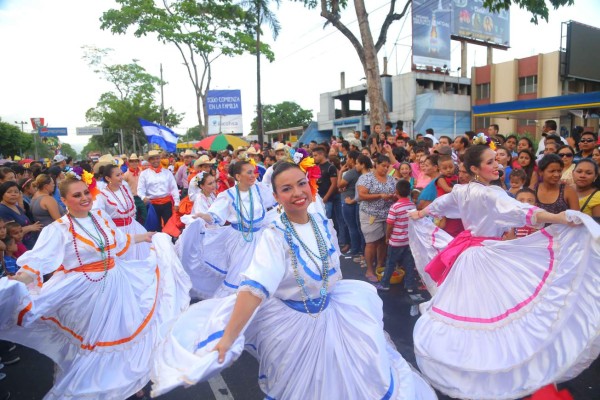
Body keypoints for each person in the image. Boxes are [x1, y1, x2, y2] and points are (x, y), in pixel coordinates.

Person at [150, 162, 438, 400]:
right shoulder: (275, 236)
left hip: (335, 315)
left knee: (353, 378)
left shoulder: (320, 221)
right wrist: (228, 338)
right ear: (275, 197)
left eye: (301, 183)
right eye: (286, 189)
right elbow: (254, 289)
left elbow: (331, 267)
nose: (298, 192)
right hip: (293, 327)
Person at [408, 141, 600, 399]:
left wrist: (420, 215)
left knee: (469, 311)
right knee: (497, 311)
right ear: (475, 168)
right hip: (487, 255)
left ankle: (470, 362)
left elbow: (438, 206)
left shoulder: (461, 191)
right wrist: (559, 218)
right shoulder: (491, 194)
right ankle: (495, 366)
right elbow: (522, 212)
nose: (497, 165)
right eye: (490, 162)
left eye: (496, 160)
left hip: (468, 257)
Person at [0, 173, 191, 400]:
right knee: (91, 343)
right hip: (84, 292)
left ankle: (125, 381)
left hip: (117, 282)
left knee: (124, 330)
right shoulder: (59, 229)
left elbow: (120, 241)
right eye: (77, 195)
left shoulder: (100, 217)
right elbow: (36, 263)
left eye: (86, 193)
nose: (84, 198)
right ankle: (87, 385)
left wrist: (147, 237)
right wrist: (16, 281)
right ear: (65, 200)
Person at [193, 161, 277, 298]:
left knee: (261, 273)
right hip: (240, 240)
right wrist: (203, 216)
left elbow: (275, 197)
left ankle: (258, 304)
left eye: (253, 172)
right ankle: (234, 306)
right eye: (249, 172)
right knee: (239, 274)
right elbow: (215, 214)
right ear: (238, 176)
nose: (253, 175)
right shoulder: (228, 195)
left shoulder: (259, 189)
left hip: (260, 237)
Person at [176, 171, 221, 299]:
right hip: (205, 233)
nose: (213, 186)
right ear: (201, 186)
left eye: (214, 182)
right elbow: (204, 219)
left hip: (213, 230)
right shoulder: (200, 199)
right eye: (210, 183)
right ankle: (203, 289)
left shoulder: (212, 195)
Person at [93, 165, 150, 260]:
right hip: (118, 231)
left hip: (133, 227)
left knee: (141, 254)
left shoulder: (125, 187)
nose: (121, 177)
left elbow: (132, 207)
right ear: (108, 178)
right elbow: (100, 217)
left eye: (121, 174)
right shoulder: (102, 195)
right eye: (117, 175)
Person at [356, 154, 397, 282]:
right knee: (371, 242)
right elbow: (362, 195)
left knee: (383, 242)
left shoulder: (391, 179)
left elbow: (396, 193)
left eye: (387, 166)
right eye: (383, 166)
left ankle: (379, 265)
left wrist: (393, 196)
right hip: (370, 215)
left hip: (386, 214)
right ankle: (369, 270)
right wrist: (380, 195)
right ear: (376, 165)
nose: (385, 169)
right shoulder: (366, 178)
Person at [377, 180, 418, 292]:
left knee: (390, 262)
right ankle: (410, 286)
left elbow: (390, 225)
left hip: (395, 241)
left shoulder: (395, 207)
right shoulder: (412, 205)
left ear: (396, 191)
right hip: (407, 240)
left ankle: (385, 284)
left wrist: (387, 237)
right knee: (408, 263)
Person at [137, 150, 180, 231]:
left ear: (160, 159)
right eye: (152, 159)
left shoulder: (167, 172)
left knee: (169, 226)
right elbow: (140, 189)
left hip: (166, 203)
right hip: (152, 204)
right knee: (154, 227)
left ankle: (169, 242)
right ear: (149, 160)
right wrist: (143, 197)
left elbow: (174, 188)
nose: (155, 161)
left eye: (157, 158)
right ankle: (156, 243)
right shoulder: (144, 174)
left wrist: (177, 202)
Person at [0, 182, 42, 249]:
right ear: (2, 194)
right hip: (19, 248)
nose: (13, 194)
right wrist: (30, 227)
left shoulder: (16, 207)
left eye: (16, 192)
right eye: (9, 192)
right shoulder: (2, 210)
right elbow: (9, 232)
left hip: (32, 243)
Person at [122, 153, 147, 224]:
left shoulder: (142, 172)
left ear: (138, 162)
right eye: (132, 161)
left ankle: (146, 230)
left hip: (142, 197)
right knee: (134, 217)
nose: (134, 163)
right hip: (132, 198)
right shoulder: (126, 174)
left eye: (136, 161)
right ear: (129, 163)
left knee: (145, 215)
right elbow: (122, 186)